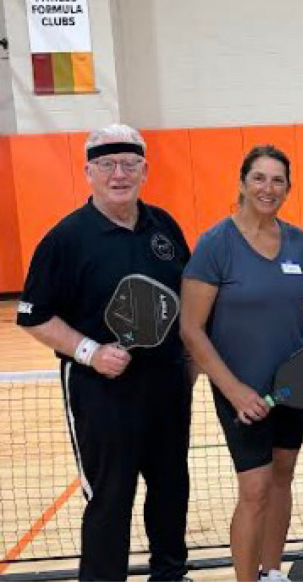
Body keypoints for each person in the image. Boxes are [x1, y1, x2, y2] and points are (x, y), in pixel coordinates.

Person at [16, 124, 191, 581]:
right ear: (89, 172)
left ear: (145, 170)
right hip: (103, 392)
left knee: (171, 488)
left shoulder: (165, 227)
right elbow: (34, 315)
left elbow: (187, 299)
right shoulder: (66, 239)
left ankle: (170, 575)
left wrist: (189, 363)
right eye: (108, 164)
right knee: (111, 497)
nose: (120, 173)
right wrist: (90, 351)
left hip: (168, 386)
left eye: (130, 163)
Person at [180, 146, 303, 582]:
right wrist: (235, 391)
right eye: (259, 178)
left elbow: (298, 312)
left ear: (288, 189)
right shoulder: (216, 243)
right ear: (242, 183)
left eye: (277, 180)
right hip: (241, 391)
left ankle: (273, 572)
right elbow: (192, 329)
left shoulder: (296, 241)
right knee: (254, 489)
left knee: (282, 478)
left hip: (292, 387)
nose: (267, 188)